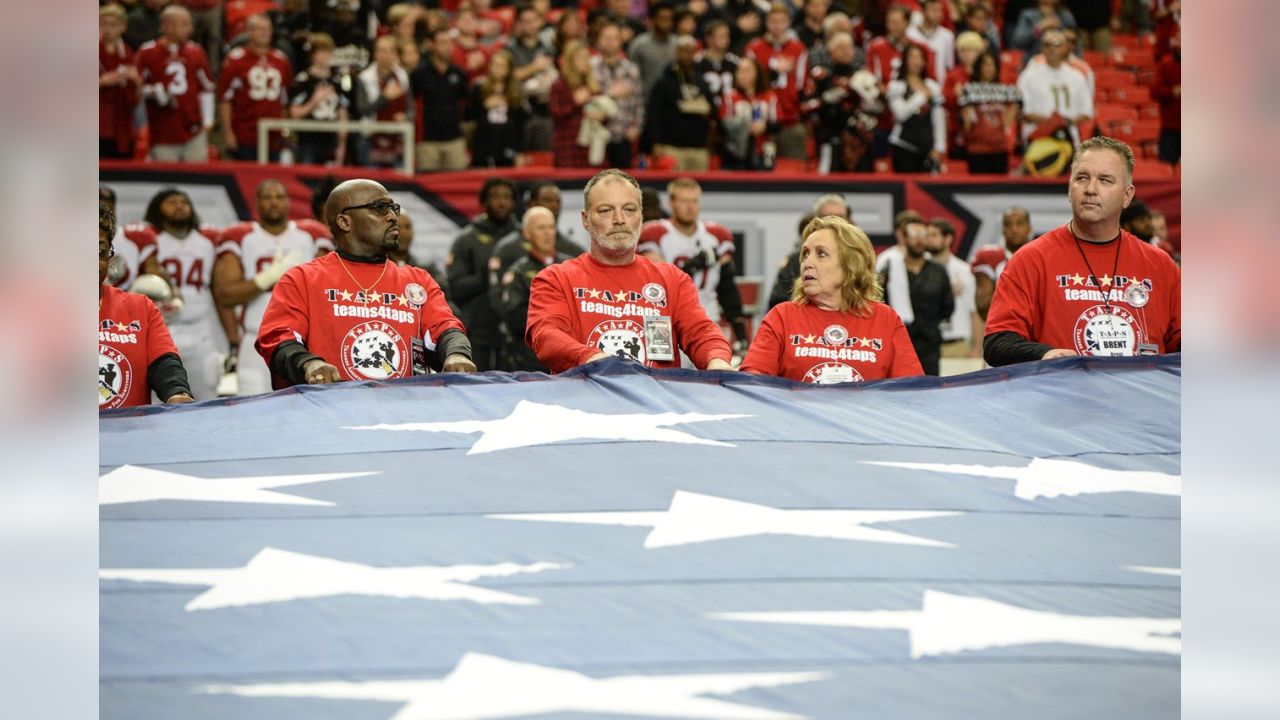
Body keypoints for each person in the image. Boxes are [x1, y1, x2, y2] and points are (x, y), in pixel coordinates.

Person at [255, 179, 476, 387]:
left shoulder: (418, 281)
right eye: (380, 208)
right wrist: (308, 363)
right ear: (344, 221)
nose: (392, 216)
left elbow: (446, 329)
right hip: (330, 414)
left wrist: (456, 354)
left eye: (393, 208)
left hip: (403, 413)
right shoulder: (302, 279)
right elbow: (278, 338)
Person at [984, 136, 1182, 365]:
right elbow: (997, 343)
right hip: (1063, 398)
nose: (1090, 189)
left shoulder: (1160, 265)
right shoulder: (1031, 259)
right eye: (1082, 178)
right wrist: (1045, 355)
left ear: (1127, 196)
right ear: (1070, 188)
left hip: (1138, 398)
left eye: (1105, 180)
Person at [526, 169, 735, 373]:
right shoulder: (555, 279)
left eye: (629, 209)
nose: (619, 219)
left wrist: (717, 361)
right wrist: (597, 361)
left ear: (641, 216)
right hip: (584, 404)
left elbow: (701, 332)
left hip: (655, 404)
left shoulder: (673, 280)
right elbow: (547, 336)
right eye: (606, 210)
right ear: (585, 219)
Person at [742, 216, 922, 383]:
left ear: (850, 264)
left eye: (821, 254)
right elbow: (753, 384)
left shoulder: (885, 319)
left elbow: (910, 391)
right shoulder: (782, 317)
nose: (807, 263)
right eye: (805, 254)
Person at [213, 180, 333, 395]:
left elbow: (327, 287)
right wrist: (269, 277)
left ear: (288, 202)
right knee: (251, 406)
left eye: (279, 197)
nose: (274, 202)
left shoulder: (312, 234)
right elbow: (226, 295)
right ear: (257, 203)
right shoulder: (241, 236)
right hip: (254, 338)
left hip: (303, 340)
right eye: (267, 197)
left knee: (307, 407)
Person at [100, 203, 194, 410]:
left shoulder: (141, 307)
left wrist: (177, 393)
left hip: (129, 435)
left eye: (100, 250)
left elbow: (164, 363)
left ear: (110, 256)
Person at [638, 177, 749, 349]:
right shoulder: (654, 233)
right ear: (672, 202)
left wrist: (741, 334)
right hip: (663, 319)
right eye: (684, 201)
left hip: (706, 318)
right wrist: (696, 263)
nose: (690, 207)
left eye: (694, 201)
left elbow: (727, 288)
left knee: (710, 370)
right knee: (661, 374)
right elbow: (661, 280)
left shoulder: (716, 235)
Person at [146, 188, 228, 400]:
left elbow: (218, 291)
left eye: (183, 201)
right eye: (171, 202)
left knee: (206, 396)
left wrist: (229, 338)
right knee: (160, 399)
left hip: (201, 330)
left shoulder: (207, 242)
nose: (179, 205)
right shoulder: (149, 241)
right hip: (163, 328)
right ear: (157, 209)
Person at [446, 179, 519, 371]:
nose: (502, 202)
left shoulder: (524, 238)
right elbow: (454, 286)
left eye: (507, 197)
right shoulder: (466, 239)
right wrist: (484, 278)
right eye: (496, 197)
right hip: (477, 332)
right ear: (484, 202)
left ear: (514, 202)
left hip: (516, 333)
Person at [496, 207, 574, 372]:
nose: (547, 233)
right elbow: (515, 317)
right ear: (527, 233)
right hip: (531, 359)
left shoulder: (571, 267)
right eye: (541, 228)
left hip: (569, 355)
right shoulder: (517, 272)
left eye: (551, 227)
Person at [134, 5, 216, 162]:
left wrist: (208, 120)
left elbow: (207, 87)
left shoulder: (196, 51)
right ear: (167, 25)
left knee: (198, 178)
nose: (189, 29)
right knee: (166, 180)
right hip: (163, 131)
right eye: (184, 24)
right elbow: (134, 89)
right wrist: (152, 92)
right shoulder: (147, 53)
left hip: (194, 129)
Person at [876, 210, 953, 375]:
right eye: (914, 235)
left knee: (930, 390)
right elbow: (879, 302)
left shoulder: (938, 270)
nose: (919, 240)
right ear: (904, 238)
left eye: (923, 235)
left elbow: (948, 306)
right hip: (897, 341)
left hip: (930, 344)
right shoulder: (889, 268)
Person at [218, 14, 293, 161]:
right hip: (244, 132)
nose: (265, 33)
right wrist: (228, 132)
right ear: (249, 32)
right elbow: (225, 99)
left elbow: (284, 100)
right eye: (260, 29)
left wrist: (283, 130)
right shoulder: (235, 59)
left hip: (273, 135)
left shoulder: (281, 60)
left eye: (267, 29)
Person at [745, 4, 809, 161]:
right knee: (763, 170)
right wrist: (772, 69)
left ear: (788, 23)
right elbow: (749, 81)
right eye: (773, 21)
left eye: (781, 21)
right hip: (761, 121)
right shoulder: (755, 48)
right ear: (767, 23)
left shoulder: (798, 49)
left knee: (795, 169)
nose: (777, 26)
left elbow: (801, 85)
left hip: (789, 120)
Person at [645, 35, 716, 171]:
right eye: (683, 51)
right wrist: (656, 142)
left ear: (695, 53)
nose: (687, 55)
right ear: (677, 52)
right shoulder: (664, 81)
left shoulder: (702, 80)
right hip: (672, 146)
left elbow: (713, 110)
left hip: (698, 147)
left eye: (691, 51)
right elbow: (654, 113)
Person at [769, 194, 850, 310]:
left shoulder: (858, 258)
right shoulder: (794, 262)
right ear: (815, 220)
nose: (835, 223)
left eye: (840, 217)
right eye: (828, 217)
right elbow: (777, 301)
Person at [1016, 28, 1092, 148]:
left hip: (1068, 139)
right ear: (1042, 48)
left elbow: (1086, 112)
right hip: (1038, 139)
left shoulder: (1077, 77)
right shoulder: (1029, 76)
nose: (1052, 49)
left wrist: (1063, 123)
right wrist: (1050, 123)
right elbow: (1023, 111)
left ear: (1065, 48)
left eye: (1057, 45)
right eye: (1047, 45)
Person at [490, 182, 584, 275]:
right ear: (531, 204)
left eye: (557, 201)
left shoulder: (573, 251)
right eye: (547, 200)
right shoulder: (507, 248)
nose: (554, 205)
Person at [410, 27, 470, 171]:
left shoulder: (460, 74)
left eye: (450, 43)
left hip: (454, 138)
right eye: (443, 43)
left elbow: (465, 103)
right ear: (432, 45)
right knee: (426, 183)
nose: (448, 47)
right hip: (427, 140)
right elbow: (412, 104)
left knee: (458, 183)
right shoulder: (419, 75)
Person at [288, 32, 350, 166]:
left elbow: (342, 112)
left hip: (331, 141)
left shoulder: (337, 80)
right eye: (321, 52)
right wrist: (314, 101)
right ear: (313, 55)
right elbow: (294, 113)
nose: (325, 56)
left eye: (328, 52)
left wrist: (342, 144)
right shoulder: (303, 80)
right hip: (309, 140)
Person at [591, 22, 644, 169]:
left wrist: (637, 127)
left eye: (614, 38)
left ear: (621, 41)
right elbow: (589, 98)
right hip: (595, 134)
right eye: (606, 37)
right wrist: (612, 93)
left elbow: (639, 101)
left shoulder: (631, 69)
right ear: (598, 40)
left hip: (622, 133)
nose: (609, 41)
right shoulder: (590, 66)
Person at [958, 51, 1020, 174]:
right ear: (979, 67)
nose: (989, 69)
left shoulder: (1004, 91)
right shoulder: (969, 90)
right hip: (977, 149)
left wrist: (1015, 105)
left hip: (1000, 148)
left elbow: (1007, 123)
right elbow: (967, 125)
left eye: (992, 65)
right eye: (985, 64)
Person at [887, 43, 946, 173]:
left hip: (928, 148)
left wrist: (939, 147)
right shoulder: (896, 86)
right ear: (905, 60)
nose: (916, 61)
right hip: (904, 146)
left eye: (920, 57)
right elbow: (900, 114)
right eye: (912, 57)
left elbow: (939, 119)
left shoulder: (933, 86)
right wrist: (920, 96)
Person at [927, 218, 981, 359]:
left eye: (934, 235)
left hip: (958, 344)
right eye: (928, 236)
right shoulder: (920, 270)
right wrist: (947, 293)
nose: (929, 240)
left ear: (948, 238)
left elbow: (975, 313)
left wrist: (976, 349)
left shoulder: (965, 271)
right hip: (927, 345)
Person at [468, 50, 527, 168]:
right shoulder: (479, 87)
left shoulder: (515, 90)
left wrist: (520, 152)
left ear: (509, 69)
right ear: (489, 66)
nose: (498, 69)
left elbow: (520, 124)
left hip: (507, 142)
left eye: (503, 66)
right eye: (495, 65)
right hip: (484, 142)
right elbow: (468, 115)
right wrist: (485, 106)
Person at [973, 206, 1034, 319]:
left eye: (1019, 223)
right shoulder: (990, 258)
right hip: (1004, 327)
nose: (1014, 229)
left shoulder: (1041, 257)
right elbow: (983, 307)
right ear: (1003, 230)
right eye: (1008, 225)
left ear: (1029, 228)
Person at [99, 186, 165, 290]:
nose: (102, 217)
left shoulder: (136, 238)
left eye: (108, 209)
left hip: (124, 302)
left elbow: (155, 278)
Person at [719, 56, 778, 170]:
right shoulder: (730, 98)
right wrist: (745, 126)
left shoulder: (770, 97)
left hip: (765, 150)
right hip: (737, 153)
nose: (741, 75)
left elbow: (778, 124)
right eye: (739, 71)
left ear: (757, 73)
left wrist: (764, 127)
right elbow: (723, 125)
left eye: (746, 71)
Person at [549, 40, 601, 168]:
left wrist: (601, 116)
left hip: (592, 147)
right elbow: (556, 114)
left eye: (587, 57)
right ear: (570, 60)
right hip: (568, 148)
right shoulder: (559, 85)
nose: (586, 61)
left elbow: (603, 109)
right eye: (581, 57)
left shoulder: (592, 85)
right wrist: (575, 102)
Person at [100, 5, 142, 159]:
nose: (107, 29)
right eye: (103, 24)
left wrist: (136, 81)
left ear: (123, 27)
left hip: (122, 124)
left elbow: (136, 96)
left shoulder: (128, 52)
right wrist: (102, 82)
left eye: (113, 25)